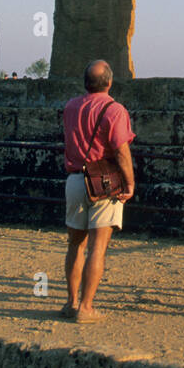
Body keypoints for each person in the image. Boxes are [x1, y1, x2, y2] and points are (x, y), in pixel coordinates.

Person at [61, 59, 135, 323]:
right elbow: (121, 150)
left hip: (74, 180)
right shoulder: (115, 110)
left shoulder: (70, 107)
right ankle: (86, 306)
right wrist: (130, 182)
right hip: (103, 182)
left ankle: (70, 303)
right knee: (97, 248)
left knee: (75, 245)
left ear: (85, 83)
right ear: (110, 82)